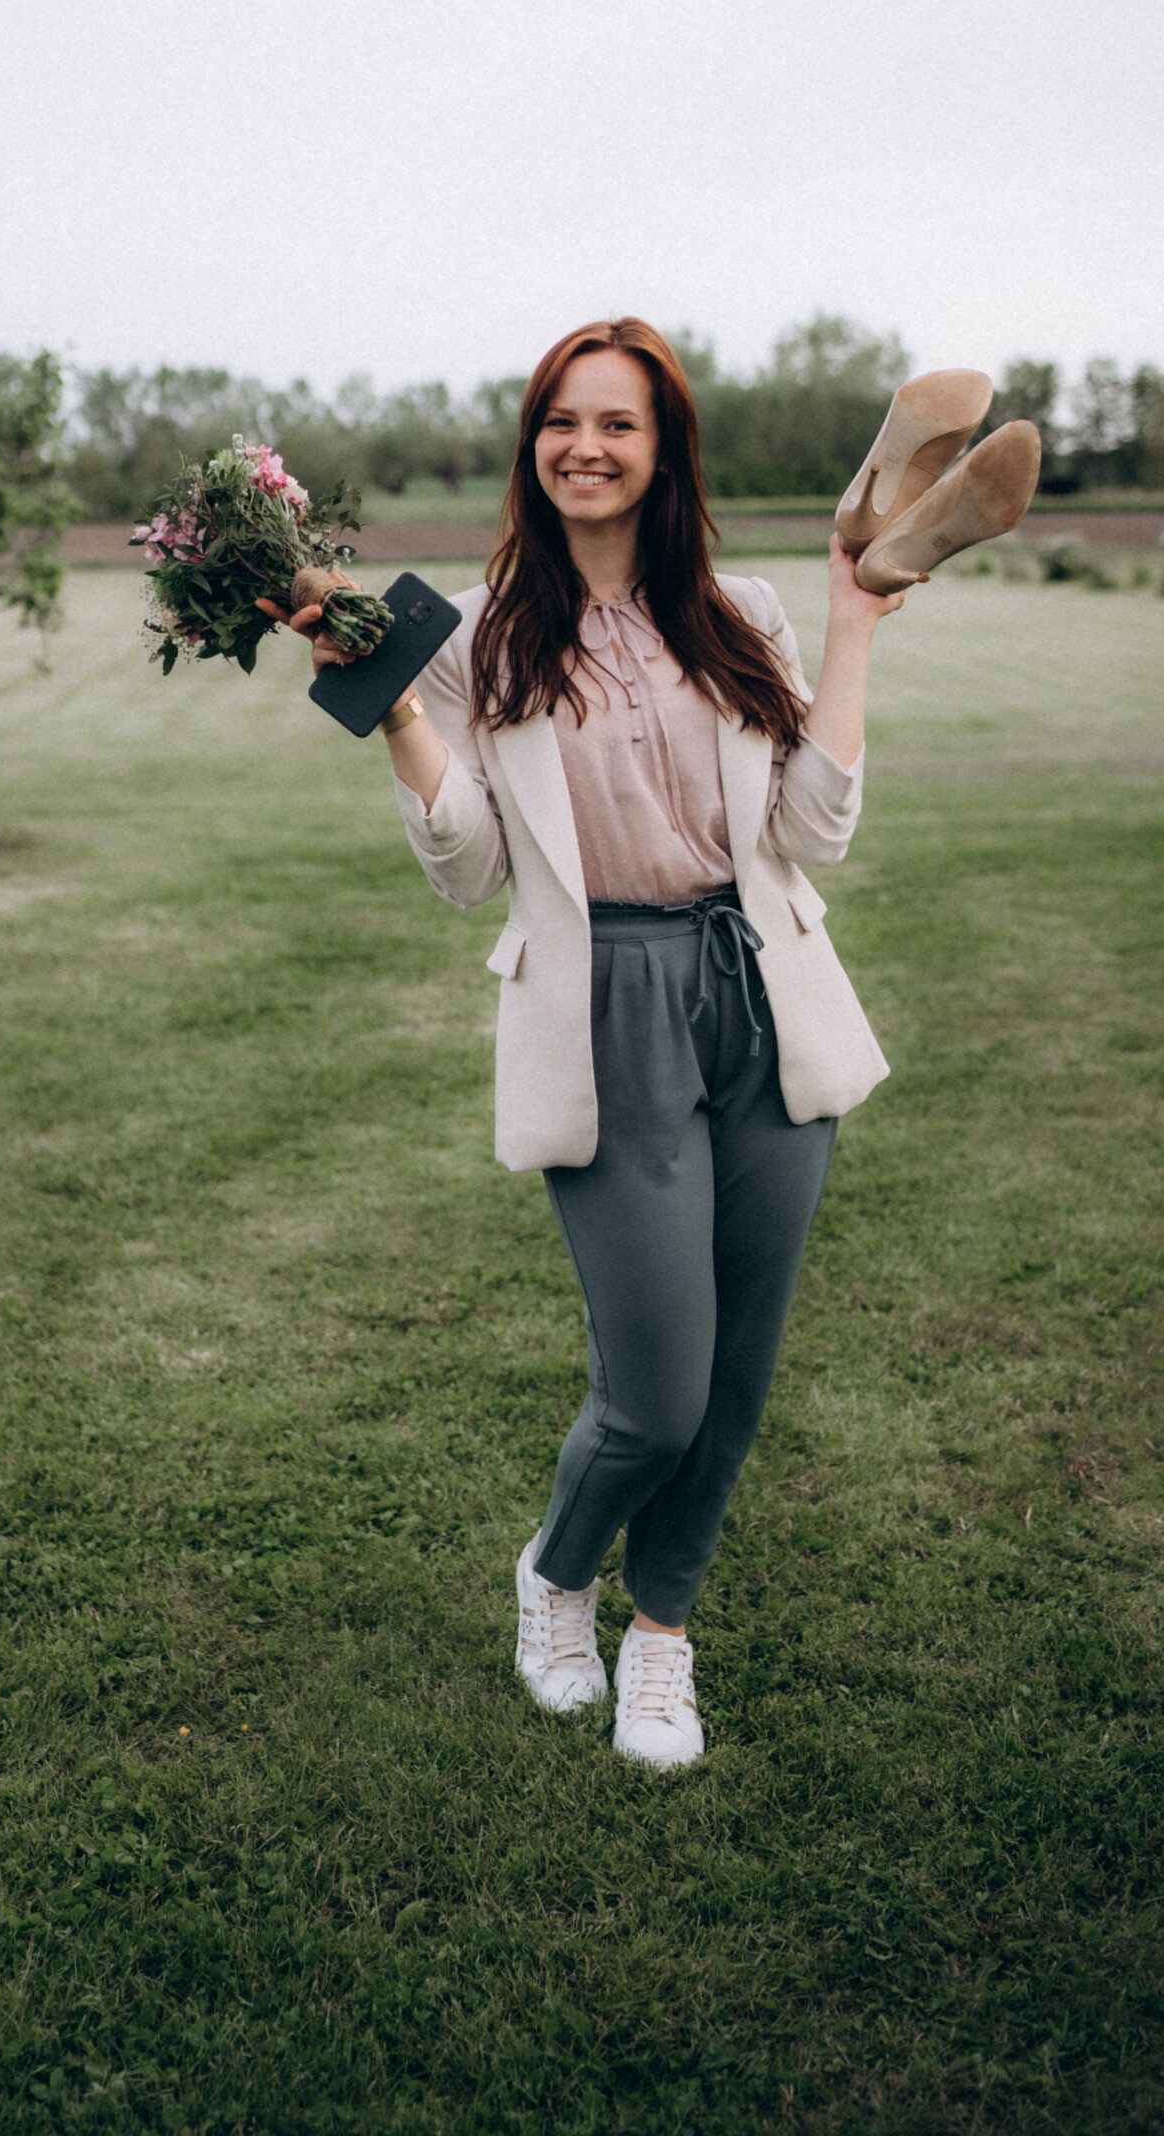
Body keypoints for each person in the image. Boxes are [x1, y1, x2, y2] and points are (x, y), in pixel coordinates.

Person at [264, 317, 902, 1768]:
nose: (584, 447)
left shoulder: (739, 612)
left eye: (616, 422)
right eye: (560, 420)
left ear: (661, 447)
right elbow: (468, 868)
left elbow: (812, 833)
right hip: (599, 1004)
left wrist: (852, 626)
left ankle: (661, 1639)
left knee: (734, 1380)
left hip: (761, 999)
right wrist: (392, 717)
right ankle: (555, 1578)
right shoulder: (478, 636)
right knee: (655, 1391)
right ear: (530, 447)